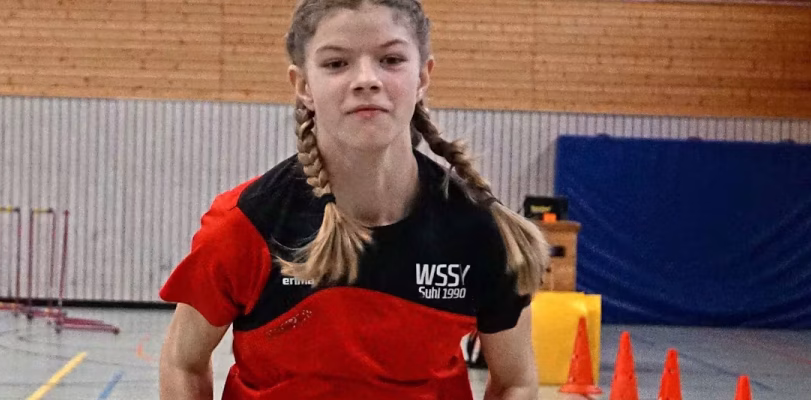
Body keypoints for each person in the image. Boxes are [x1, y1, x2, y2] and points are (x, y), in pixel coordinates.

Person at [158, 1, 549, 399]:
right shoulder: (246, 225)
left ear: (422, 77)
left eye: (391, 59)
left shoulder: (480, 231)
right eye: (336, 63)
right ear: (303, 85)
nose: (366, 80)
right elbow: (183, 363)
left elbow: (515, 380)